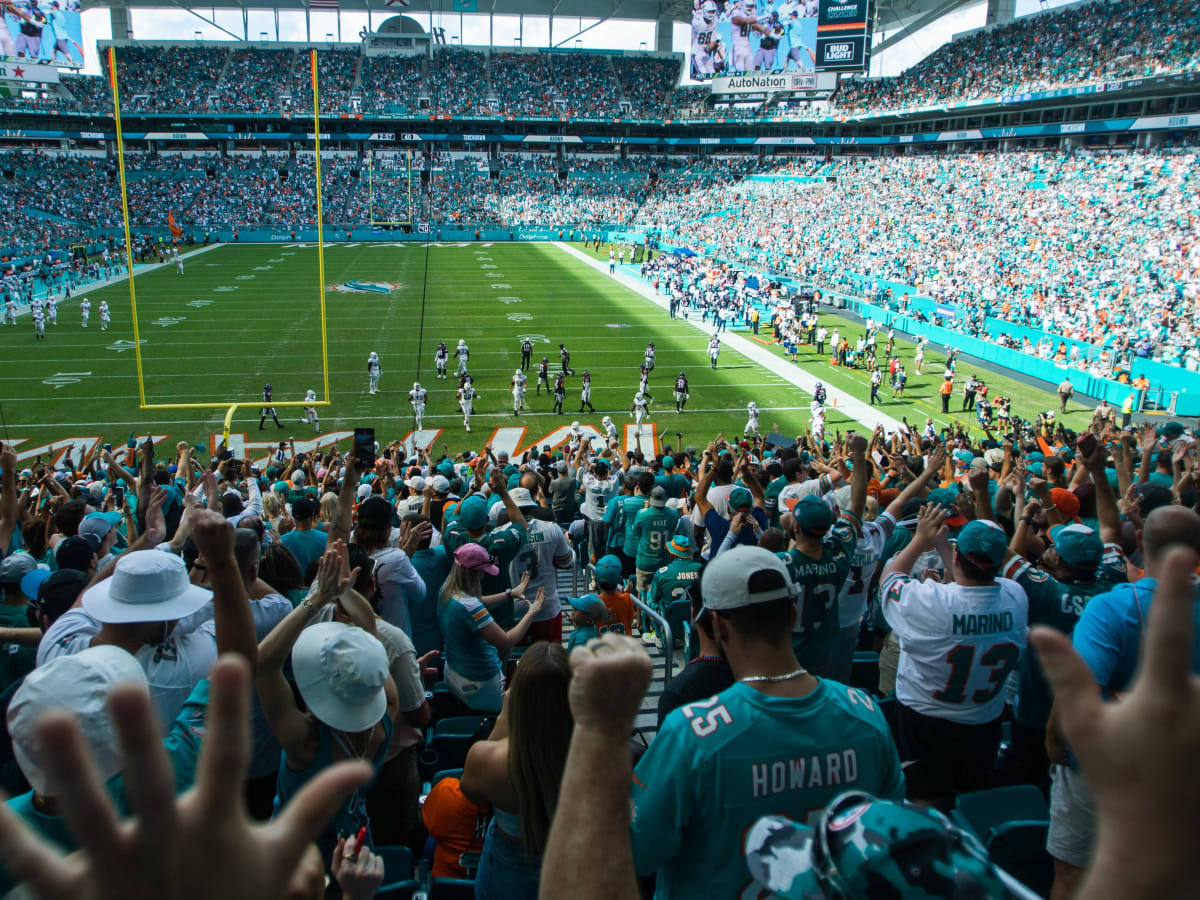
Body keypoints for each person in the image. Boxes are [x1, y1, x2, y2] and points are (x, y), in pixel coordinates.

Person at [629, 547, 905, 899]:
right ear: (792, 613)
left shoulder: (689, 734)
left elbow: (637, 851)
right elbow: (892, 831)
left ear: (717, 624)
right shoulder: (865, 713)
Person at [1043, 505, 1200, 899]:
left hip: (1100, 769)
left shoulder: (1110, 607)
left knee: (1072, 873)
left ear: (1142, 541)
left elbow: (1077, 694)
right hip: (1183, 771)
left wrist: (1054, 740)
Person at [255, 546, 396, 867]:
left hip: (297, 856)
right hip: (354, 845)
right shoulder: (386, 713)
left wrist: (315, 600)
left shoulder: (305, 743)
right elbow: (370, 633)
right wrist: (346, 592)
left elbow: (263, 665)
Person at [879, 510, 1028, 809]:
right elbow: (974, 586)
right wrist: (946, 548)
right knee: (971, 801)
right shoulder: (1016, 596)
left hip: (925, 721)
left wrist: (921, 540)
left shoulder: (932, 601)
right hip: (983, 721)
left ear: (960, 557)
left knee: (924, 803)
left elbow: (889, 580)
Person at [461, 642, 573, 900]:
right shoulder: (597, 759)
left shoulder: (488, 759)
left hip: (507, 871)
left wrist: (506, 713)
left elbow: (471, 789)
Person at [440, 542, 544, 713]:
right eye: (482, 572)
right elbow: (507, 640)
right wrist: (532, 612)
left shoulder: (446, 590)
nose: (483, 576)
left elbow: (476, 602)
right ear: (473, 573)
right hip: (480, 682)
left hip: (454, 672)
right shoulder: (470, 606)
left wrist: (510, 594)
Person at [509, 488, 574, 644]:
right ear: (532, 506)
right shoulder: (551, 528)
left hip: (514, 608)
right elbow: (566, 563)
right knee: (550, 659)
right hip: (547, 604)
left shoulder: (499, 533)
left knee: (515, 661)